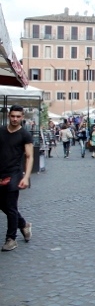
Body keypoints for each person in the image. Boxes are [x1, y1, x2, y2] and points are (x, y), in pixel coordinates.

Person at [0, 105, 34, 252]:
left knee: (11, 206)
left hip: (14, 173)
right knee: (3, 205)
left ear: (22, 117)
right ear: (9, 116)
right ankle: (23, 224)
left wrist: (26, 177)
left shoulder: (25, 135)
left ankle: (11, 239)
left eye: (18, 116)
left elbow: (29, 156)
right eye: (13, 116)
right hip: (0, 172)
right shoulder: (1, 131)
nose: (15, 119)